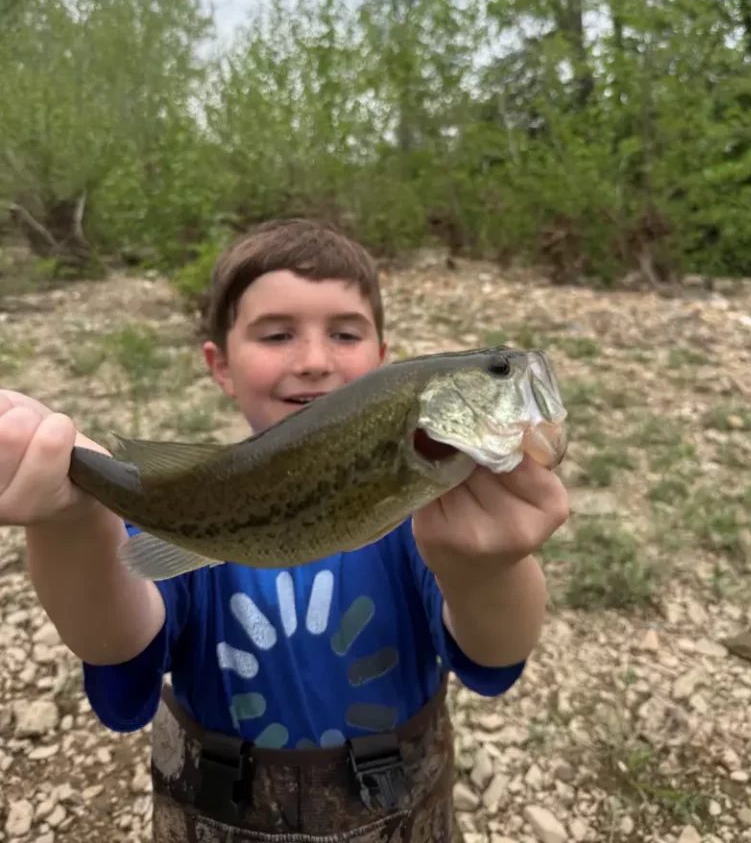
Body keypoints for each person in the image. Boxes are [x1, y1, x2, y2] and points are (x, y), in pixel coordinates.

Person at [0, 218, 569, 843]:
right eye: (276, 334)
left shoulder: (429, 515)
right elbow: (115, 644)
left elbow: (495, 657)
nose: (315, 361)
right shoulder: (198, 499)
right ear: (220, 365)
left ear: (383, 364)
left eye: (345, 333)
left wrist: (487, 570)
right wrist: (74, 519)